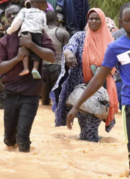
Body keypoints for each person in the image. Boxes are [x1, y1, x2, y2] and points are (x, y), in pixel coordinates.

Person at [65, 2, 130, 176]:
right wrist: (77, 106)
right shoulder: (115, 47)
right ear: (121, 23)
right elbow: (98, 78)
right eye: (127, 20)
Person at [50, 8, 119, 142]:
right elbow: (70, 47)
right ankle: (89, 151)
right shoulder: (80, 37)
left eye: (97, 18)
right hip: (82, 89)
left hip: (104, 89)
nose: (93, 21)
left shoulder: (111, 42)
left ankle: (89, 149)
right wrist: (69, 54)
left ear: (103, 21)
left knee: (91, 126)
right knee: (88, 127)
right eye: (91, 18)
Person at [0, 13, 55, 153]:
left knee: (23, 138)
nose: (11, 18)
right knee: (9, 140)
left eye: (14, 15)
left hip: (30, 93)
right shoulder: (5, 40)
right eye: (8, 15)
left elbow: (52, 57)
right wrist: (17, 58)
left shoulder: (39, 35)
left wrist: (31, 45)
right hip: (10, 92)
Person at [6, 0, 48, 79]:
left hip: (25, 32)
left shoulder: (24, 11)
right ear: (41, 5)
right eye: (45, 6)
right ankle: (35, 68)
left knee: (24, 50)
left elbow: (17, 22)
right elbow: (44, 26)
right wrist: (45, 35)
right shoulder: (42, 13)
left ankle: (25, 68)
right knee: (37, 50)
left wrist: (9, 30)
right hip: (37, 33)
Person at [41, 11, 70, 105]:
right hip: (56, 65)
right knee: (57, 94)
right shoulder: (63, 33)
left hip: (42, 65)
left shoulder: (40, 31)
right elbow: (67, 51)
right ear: (57, 20)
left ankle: (45, 103)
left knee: (44, 94)